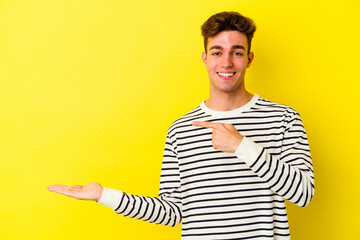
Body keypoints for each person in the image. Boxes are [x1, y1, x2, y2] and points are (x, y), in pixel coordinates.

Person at [48, 11, 314, 239]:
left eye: (237, 52)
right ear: (205, 58)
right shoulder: (181, 130)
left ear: (249, 59)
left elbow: (303, 193)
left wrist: (242, 146)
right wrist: (104, 195)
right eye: (217, 52)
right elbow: (172, 212)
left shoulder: (283, 118)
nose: (226, 62)